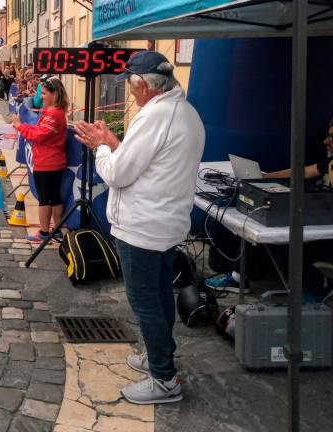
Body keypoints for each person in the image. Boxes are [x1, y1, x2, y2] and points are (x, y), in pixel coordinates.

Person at [75, 51, 205, 405]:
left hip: (143, 226)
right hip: (163, 223)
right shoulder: (184, 112)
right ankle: (159, 355)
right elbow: (144, 162)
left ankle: (164, 378)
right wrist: (114, 144)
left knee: (145, 300)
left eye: (131, 86)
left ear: (145, 86)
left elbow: (118, 172)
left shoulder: (156, 117)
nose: (130, 93)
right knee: (160, 293)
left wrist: (101, 146)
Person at [206, 118, 333, 299]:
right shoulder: (329, 162)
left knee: (285, 241)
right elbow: (303, 172)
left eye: (331, 137)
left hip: (323, 222)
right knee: (262, 220)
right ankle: (237, 277)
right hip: (319, 213)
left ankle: (320, 286)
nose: (325, 141)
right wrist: (266, 177)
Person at [11, 77, 68, 242]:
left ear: (54, 94)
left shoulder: (54, 113)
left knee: (45, 199)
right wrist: (23, 126)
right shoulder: (54, 111)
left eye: (43, 93)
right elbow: (38, 129)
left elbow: (39, 135)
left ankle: (44, 232)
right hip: (54, 160)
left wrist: (19, 126)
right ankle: (56, 231)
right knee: (54, 197)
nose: (41, 97)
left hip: (47, 161)